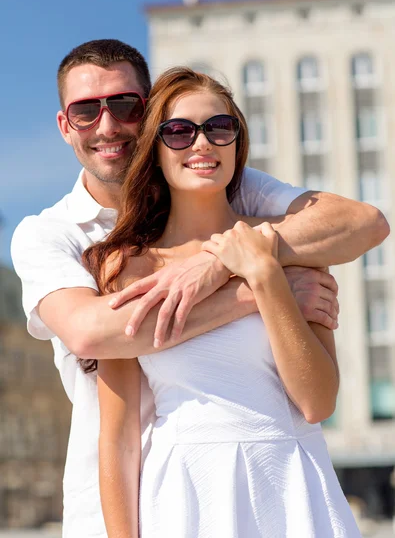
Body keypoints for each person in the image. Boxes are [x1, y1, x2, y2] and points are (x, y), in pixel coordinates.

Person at [10, 39, 387, 538]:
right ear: (65, 125)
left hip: (290, 488)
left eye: (125, 105)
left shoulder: (245, 196)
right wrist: (254, 288)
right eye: (85, 111)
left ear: (146, 119)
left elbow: (363, 223)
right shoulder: (68, 241)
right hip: (145, 500)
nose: (107, 125)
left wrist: (224, 263)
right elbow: (91, 334)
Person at [90, 67, 366, 538]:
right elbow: (119, 441)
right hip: (183, 495)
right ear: (155, 151)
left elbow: (317, 402)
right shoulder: (125, 266)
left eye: (219, 128)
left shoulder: (291, 250)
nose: (202, 144)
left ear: (238, 144)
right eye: (178, 132)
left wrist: (262, 273)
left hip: (292, 489)